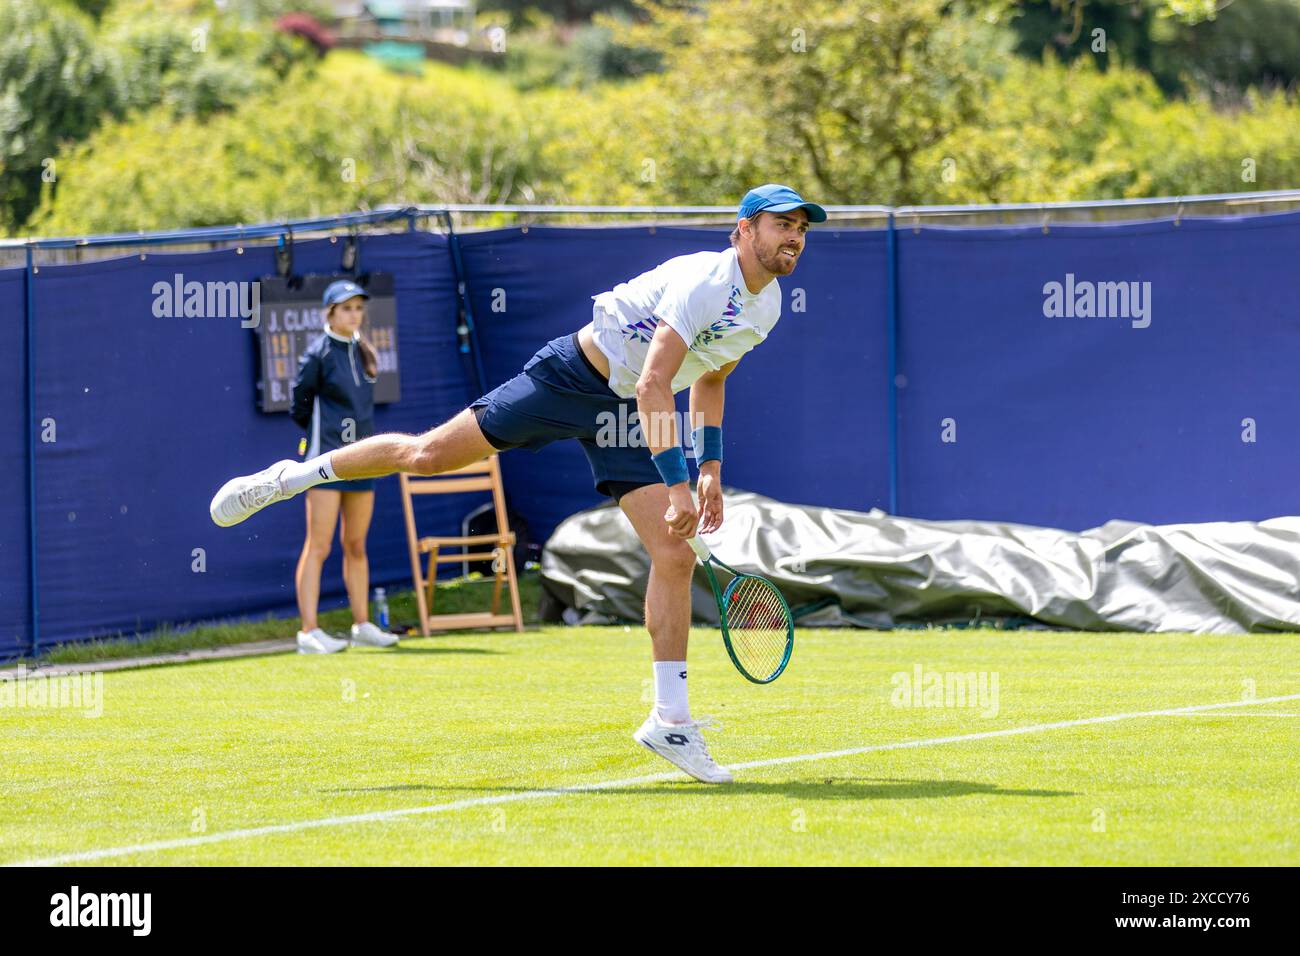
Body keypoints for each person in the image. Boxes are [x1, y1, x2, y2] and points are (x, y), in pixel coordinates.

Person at [212, 184, 825, 780]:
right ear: (743, 230)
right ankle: (291, 477)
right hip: (576, 379)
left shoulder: (764, 304)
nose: (794, 237)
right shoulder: (704, 281)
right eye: (782, 224)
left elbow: (711, 379)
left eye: (800, 228)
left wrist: (710, 470)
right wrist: (677, 486)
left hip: (630, 409)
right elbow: (654, 384)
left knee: (673, 554)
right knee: (427, 455)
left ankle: (670, 718)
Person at [287, 279, 399, 654]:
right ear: (330, 313)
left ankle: (362, 625)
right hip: (324, 461)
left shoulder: (365, 352)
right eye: (346, 308)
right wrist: (321, 441)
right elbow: (299, 406)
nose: (355, 314)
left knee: (356, 544)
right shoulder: (317, 355)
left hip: (362, 462)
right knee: (318, 546)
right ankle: (308, 632)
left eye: (358, 308)